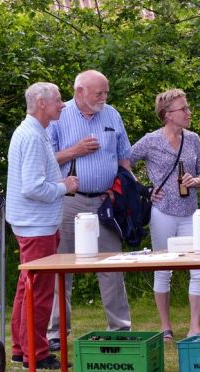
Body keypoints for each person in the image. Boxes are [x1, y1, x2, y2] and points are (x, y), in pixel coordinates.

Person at [46, 70, 133, 350]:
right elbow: (46, 160)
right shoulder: (59, 115)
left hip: (104, 203)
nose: (104, 97)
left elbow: (124, 157)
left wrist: (121, 189)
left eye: (106, 92)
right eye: (99, 93)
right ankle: (57, 334)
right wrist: (75, 150)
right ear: (80, 91)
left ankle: (120, 329)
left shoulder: (112, 115)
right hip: (69, 200)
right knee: (63, 267)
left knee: (111, 266)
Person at [129, 88, 200, 341]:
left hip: (190, 213)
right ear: (167, 114)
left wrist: (196, 180)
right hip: (162, 213)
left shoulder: (193, 139)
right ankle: (165, 328)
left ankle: (195, 327)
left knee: (199, 268)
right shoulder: (150, 140)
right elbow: (124, 163)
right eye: (183, 108)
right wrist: (144, 189)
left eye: (187, 107)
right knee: (163, 268)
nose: (189, 112)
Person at [7, 82, 79, 369]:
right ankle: (36, 354)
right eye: (58, 100)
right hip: (36, 225)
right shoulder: (34, 137)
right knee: (39, 291)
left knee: (27, 286)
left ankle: (19, 347)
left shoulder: (32, 132)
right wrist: (65, 186)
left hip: (30, 222)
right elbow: (33, 187)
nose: (63, 104)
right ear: (40, 102)